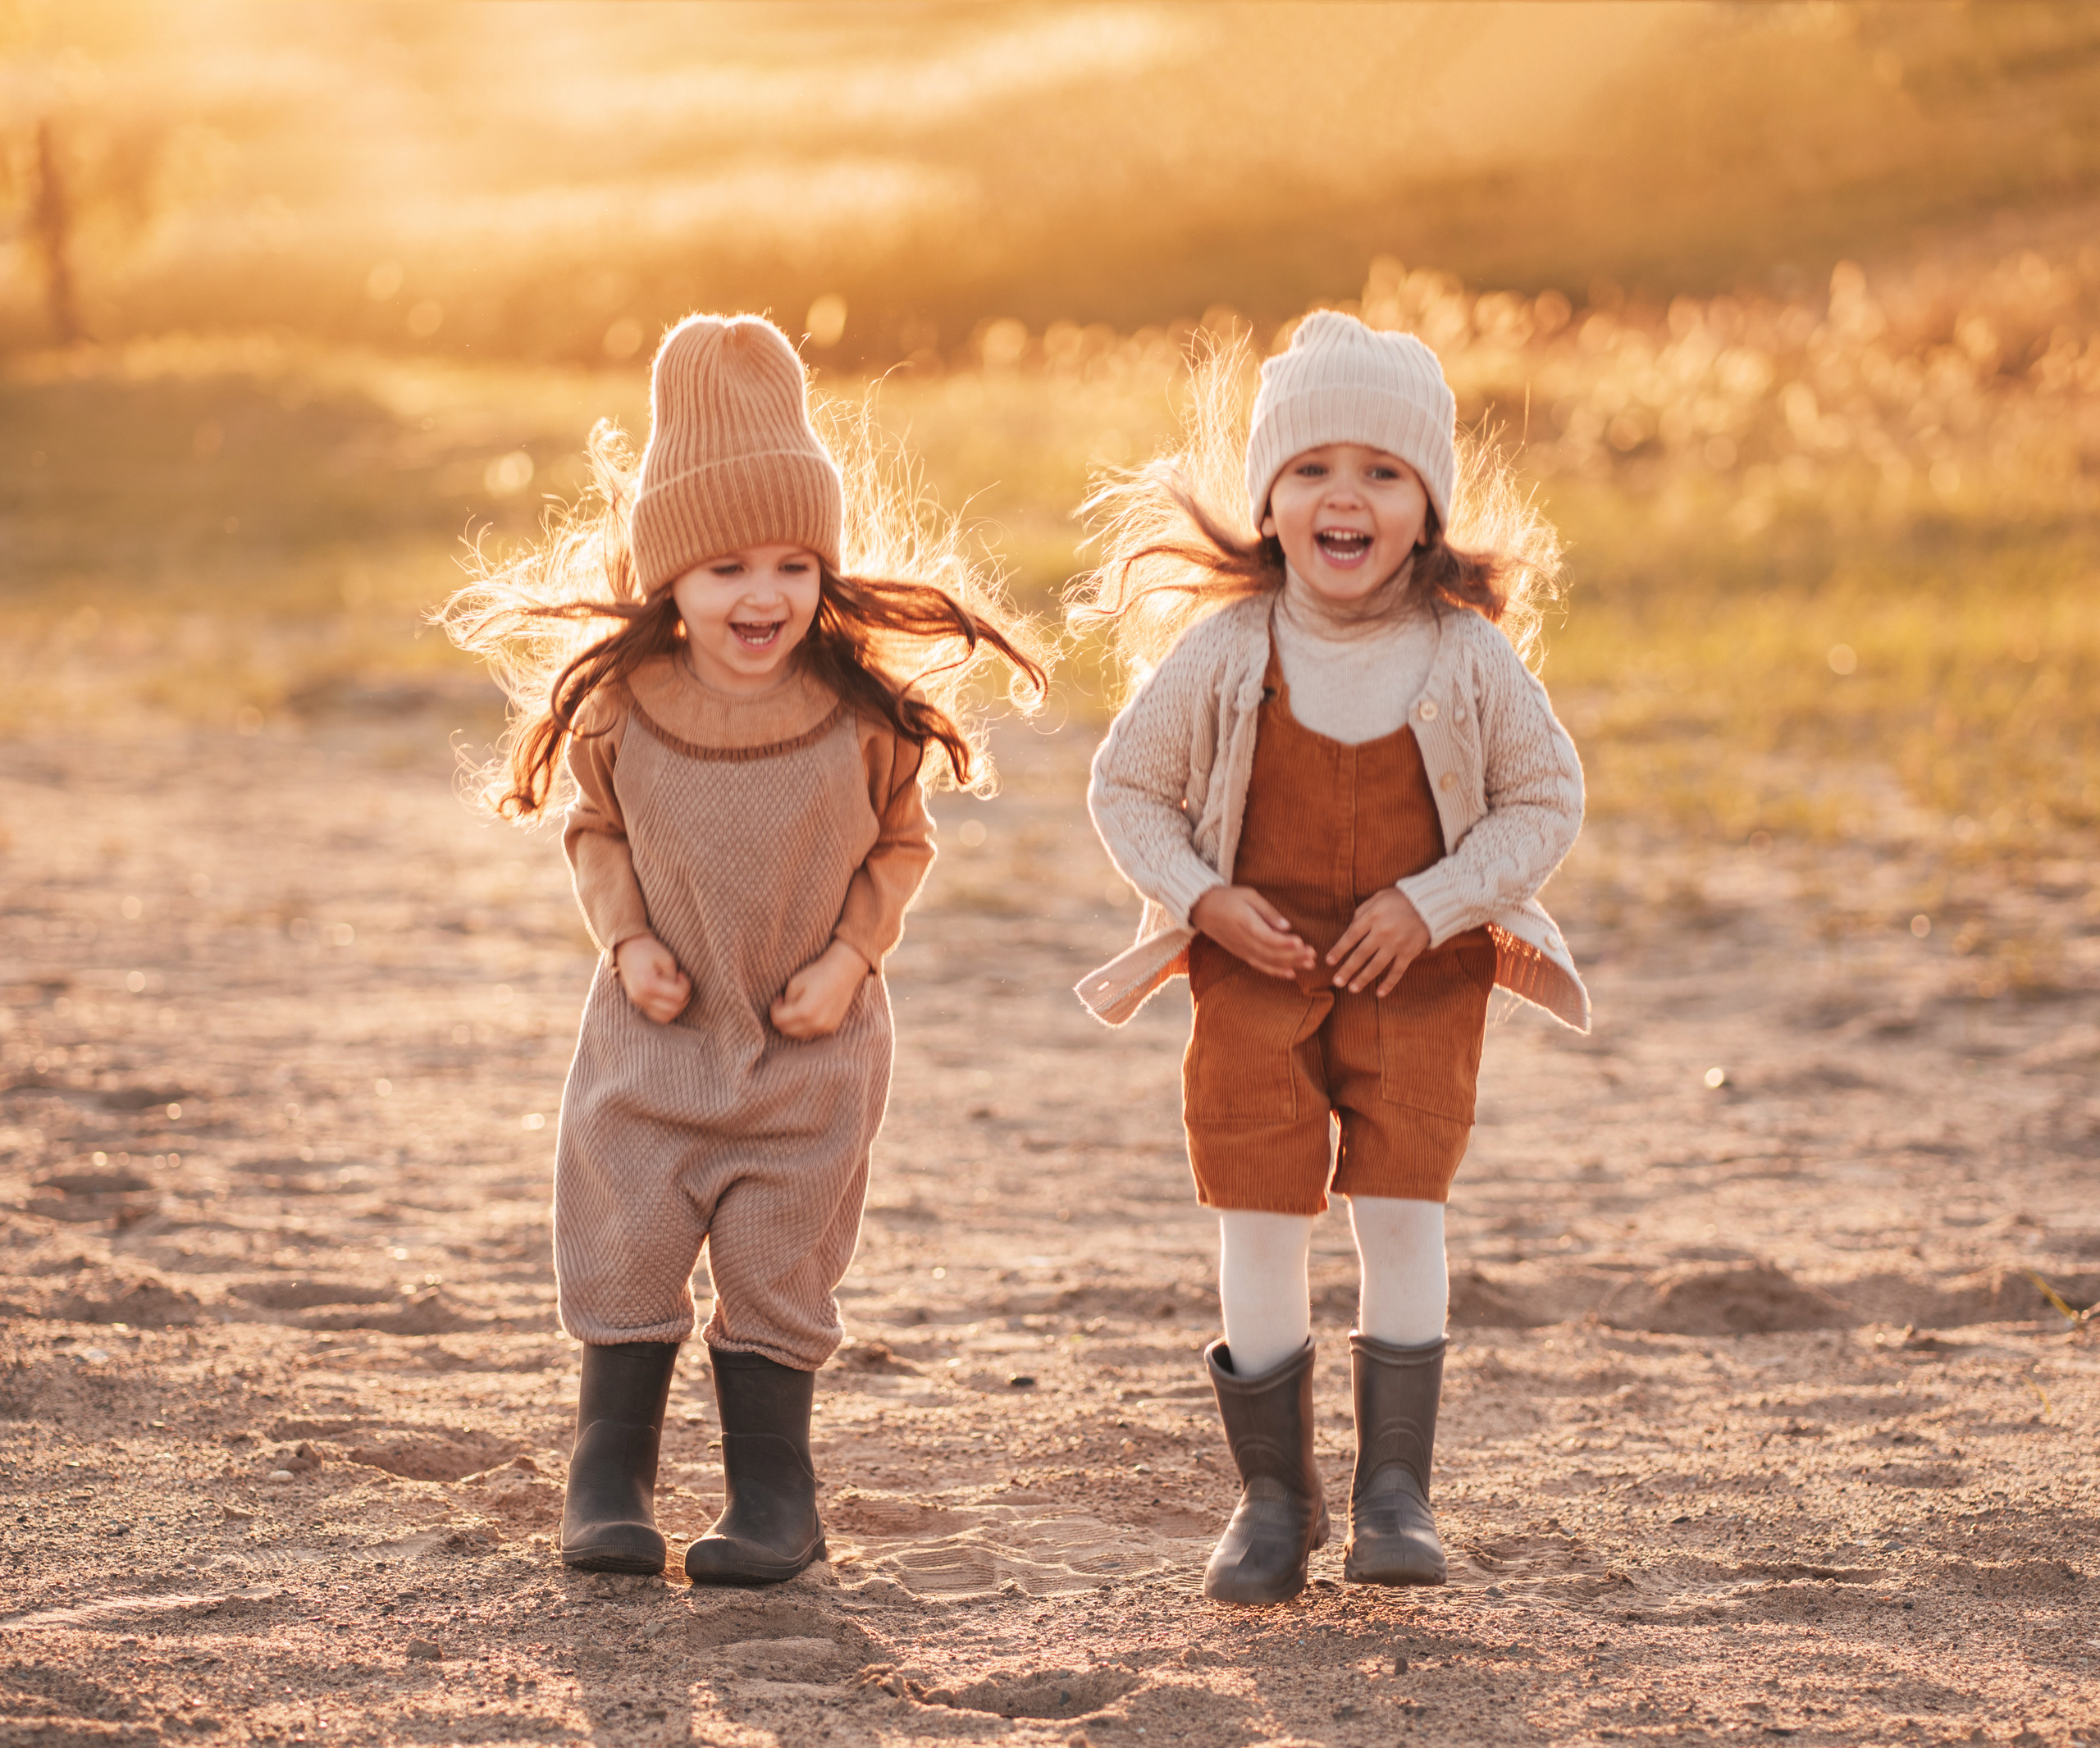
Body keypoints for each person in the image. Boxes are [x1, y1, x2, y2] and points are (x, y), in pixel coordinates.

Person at [442, 313, 1046, 1582]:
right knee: (627, 1240)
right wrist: (625, 941)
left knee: (780, 1261)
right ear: (669, 577)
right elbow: (594, 831)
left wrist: (853, 958)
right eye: (723, 569)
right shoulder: (625, 706)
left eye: (790, 563)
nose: (761, 596)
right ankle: (609, 1474)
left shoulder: (857, 710)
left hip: (806, 1053)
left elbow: (901, 846)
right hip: (653, 1043)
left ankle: (776, 1494)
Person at [1071, 311, 1587, 1604]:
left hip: (1421, 977)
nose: (1343, 495)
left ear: (1428, 510)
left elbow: (1545, 800)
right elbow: (1126, 788)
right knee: (1260, 1214)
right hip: (1258, 971)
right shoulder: (1229, 651)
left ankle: (1395, 1496)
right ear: (1268, 502)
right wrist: (1202, 899)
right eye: (1310, 469)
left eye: (1382, 472)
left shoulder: (1467, 657)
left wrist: (1438, 900)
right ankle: (1272, 1501)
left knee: (1403, 1208)